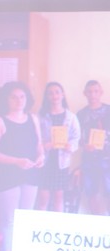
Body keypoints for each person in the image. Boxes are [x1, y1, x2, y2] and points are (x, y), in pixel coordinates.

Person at [0, 81, 45, 251]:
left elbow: (39, 143)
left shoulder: (33, 118)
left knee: (25, 218)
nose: (19, 101)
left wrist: (41, 156)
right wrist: (17, 161)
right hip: (5, 176)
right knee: (9, 220)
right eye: (14, 97)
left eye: (22, 97)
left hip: (30, 173)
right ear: (6, 99)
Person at [36, 82, 81, 212]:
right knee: (43, 196)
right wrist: (44, 145)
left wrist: (70, 146)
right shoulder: (41, 116)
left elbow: (76, 137)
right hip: (45, 161)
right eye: (50, 93)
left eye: (57, 92)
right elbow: (35, 137)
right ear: (46, 97)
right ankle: (41, 221)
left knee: (59, 196)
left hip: (62, 162)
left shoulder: (71, 117)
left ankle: (56, 222)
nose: (54, 95)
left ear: (62, 95)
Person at [77, 80, 110, 215]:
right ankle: (97, 221)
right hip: (89, 159)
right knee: (91, 192)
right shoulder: (80, 114)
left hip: (107, 158)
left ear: (101, 92)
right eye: (89, 91)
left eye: (96, 91)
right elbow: (77, 138)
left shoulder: (109, 110)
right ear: (85, 93)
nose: (93, 94)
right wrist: (84, 146)